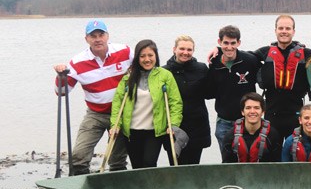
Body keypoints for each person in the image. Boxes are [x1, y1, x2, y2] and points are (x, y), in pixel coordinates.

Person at [53, 20, 131, 175]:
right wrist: (60, 75)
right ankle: (82, 187)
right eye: (93, 36)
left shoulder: (125, 51)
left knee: (117, 159)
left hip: (121, 114)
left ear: (107, 36)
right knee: (78, 156)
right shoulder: (77, 62)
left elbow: (146, 63)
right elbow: (61, 92)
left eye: (101, 35)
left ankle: (116, 187)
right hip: (95, 113)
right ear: (86, 39)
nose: (97, 39)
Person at [110, 40, 183, 168]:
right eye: (142, 56)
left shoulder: (165, 76)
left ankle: (151, 187)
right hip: (132, 131)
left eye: (150, 55)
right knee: (137, 166)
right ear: (137, 58)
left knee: (149, 163)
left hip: (154, 131)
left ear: (156, 56)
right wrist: (115, 125)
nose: (147, 59)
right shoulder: (128, 77)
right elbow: (118, 102)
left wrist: (174, 124)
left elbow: (175, 103)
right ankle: (140, 188)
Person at [252, 15, 311, 139]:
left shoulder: (306, 54)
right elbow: (242, 57)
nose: (284, 31)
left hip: (296, 115)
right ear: (275, 30)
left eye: (288, 28)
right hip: (272, 115)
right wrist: (219, 50)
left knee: (296, 154)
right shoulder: (265, 52)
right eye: (281, 28)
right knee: (273, 155)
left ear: (293, 31)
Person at [206, 25, 260, 156]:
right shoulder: (214, 64)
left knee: (249, 159)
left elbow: (267, 73)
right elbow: (209, 93)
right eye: (225, 43)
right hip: (224, 123)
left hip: (247, 122)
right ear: (219, 42)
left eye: (233, 43)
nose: (229, 47)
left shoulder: (250, 61)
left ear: (239, 43)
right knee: (227, 163)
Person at [163, 35, 210, 165]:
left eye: (189, 50)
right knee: (175, 165)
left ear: (193, 51)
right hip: (174, 127)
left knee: (194, 167)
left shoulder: (201, 69)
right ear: (174, 49)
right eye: (182, 49)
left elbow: (210, 92)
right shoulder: (164, 72)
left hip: (197, 126)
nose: (185, 52)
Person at [222, 92, 282, 163]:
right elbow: (226, 167)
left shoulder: (273, 135)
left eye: (256, 108)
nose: (252, 111)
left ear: (262, 112)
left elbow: (276, 167)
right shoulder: (230, 136)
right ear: (242, 112)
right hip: (238, 173)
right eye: (248, 108)